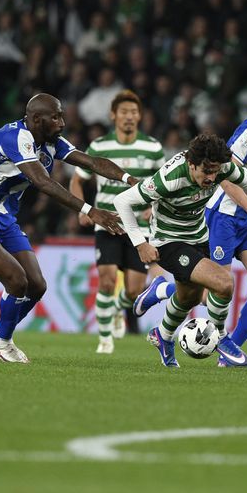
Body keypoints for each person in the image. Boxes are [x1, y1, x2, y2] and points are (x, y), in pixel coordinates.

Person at [132, 72, 247, 367]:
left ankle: (228, 351)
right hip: (224, 216)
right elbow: (225, 175)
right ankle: (162, 289)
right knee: (210, 291)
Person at [0, 93, 134, 364]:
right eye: (55, 117)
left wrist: (130, 179)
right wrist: (90, 211)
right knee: (16, 280)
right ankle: (3, 342)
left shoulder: (51, 141)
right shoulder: (15, 138)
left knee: (37, 285)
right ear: (35, 119)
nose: (62, 122)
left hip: (0, 214)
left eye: (61, 116)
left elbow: (91, 162)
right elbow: (42, 182)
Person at [113, 133, 247, 368]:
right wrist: (140, 243)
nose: (211, 177)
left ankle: (163, 334)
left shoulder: (220, 168)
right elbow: (122, 201)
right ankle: (221, 338)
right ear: (191, 164)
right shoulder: (169, 179)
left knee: (189, 298)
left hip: (199, 236)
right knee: (224, 283)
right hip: (169, 241)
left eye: (215, 172)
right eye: (206, 171)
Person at [69, 89, 165, 354]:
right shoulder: (99, 146)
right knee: (107, 281)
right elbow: (77, 179)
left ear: (140, 116)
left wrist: (154, 208)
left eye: (133, 112)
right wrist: (83, 209)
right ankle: (104, 340)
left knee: (134, 291)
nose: (129, 117)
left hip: (140, 228)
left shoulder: (153, 148)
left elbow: (164, 184)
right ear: (113, 115)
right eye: (124, 112)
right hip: (107, 223)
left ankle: (116, 310)